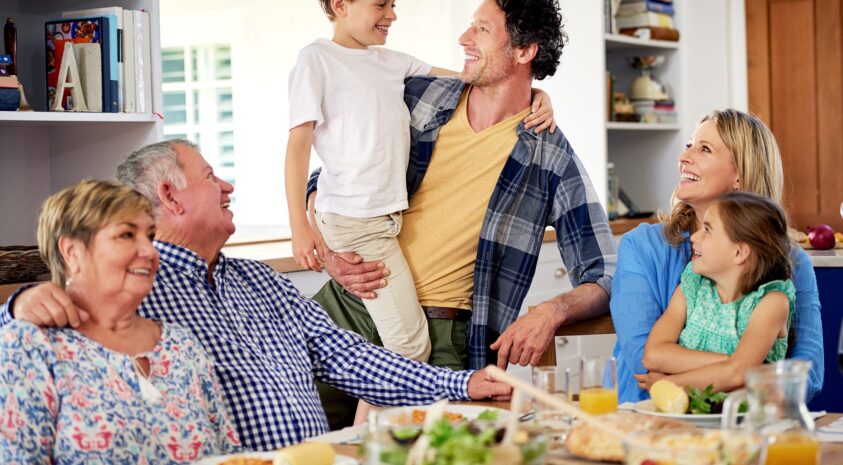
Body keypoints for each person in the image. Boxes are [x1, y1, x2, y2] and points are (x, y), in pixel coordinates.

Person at [1, 140, 512, 452]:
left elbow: (351, 358)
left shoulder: (260, 282)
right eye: (210, 176)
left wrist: (464, 383)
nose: (227, 186)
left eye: (141, 236)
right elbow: (58, 318)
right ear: (171, 197)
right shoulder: (135, 291)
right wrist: (17, 307)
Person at [304, 0, 616, 426]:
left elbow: (604, 272)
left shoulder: (551, 158)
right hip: (349, 307)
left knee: (402, 452)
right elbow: (330, 174)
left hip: (439, 341)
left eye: (481, 30)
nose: (464, 38)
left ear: (524, 51)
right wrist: (326, 249)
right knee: (283, 440)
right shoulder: (419, 97)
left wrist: (552, 310)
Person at [0, 180, 241, 464]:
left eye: (149, 236)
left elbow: (231, 457)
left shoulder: (182, 345)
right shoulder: (30, 347)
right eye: (127, 235)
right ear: (72, 252)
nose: (150, 252)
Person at [611, 109, 824, 403]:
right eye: (689, 145)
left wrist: (739, 372)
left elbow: (807, 375)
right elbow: (644, 362)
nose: (683, 157)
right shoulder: (642, 246)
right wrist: (746, 368)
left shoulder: (791, 261)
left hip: (746, 419)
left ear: (740, 174)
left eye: (705, 149)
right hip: (650, 414)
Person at [638, 192, 795, 392]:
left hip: (745, 412)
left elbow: (737, 374)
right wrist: (734, 364)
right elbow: (653, 355)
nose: (694, 236)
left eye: (707, 230)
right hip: (688, 410)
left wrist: (669, 383)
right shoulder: (692, 288)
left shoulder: (772, 303)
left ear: (738, 252)